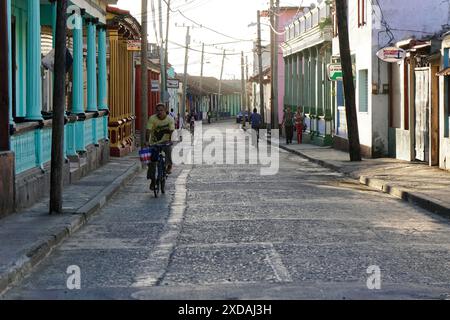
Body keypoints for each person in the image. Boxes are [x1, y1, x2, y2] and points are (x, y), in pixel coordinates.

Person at [146, 103, 175, 191]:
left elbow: (172, 130)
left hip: (165, 141)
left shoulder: (169, 119)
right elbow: (148, 131)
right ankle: (152, 180)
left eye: (161, 110)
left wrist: (170, 140)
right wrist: (147, 141)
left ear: (165, 111)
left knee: (168, 150)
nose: (160, 112)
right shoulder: (152, 118)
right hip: (154, 142)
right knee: (152, 162)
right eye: (158, 110)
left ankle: (169, 165)